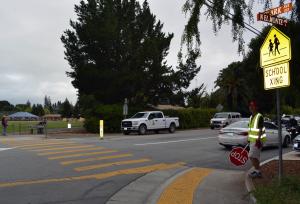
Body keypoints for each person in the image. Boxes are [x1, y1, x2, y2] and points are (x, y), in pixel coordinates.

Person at [248, 101, 266, 178]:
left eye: (253, 106)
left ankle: (258, 171)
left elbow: (260, 128)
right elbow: (251, 129)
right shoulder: (251, 116)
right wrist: (248, 138)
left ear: (256, 107)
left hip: (257, 140)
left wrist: (258, 139)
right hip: (252, 140)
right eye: (250, 106)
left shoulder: (259, 116)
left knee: (252, 156)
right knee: (255, 156)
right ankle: (257, 171)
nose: (251, 107)